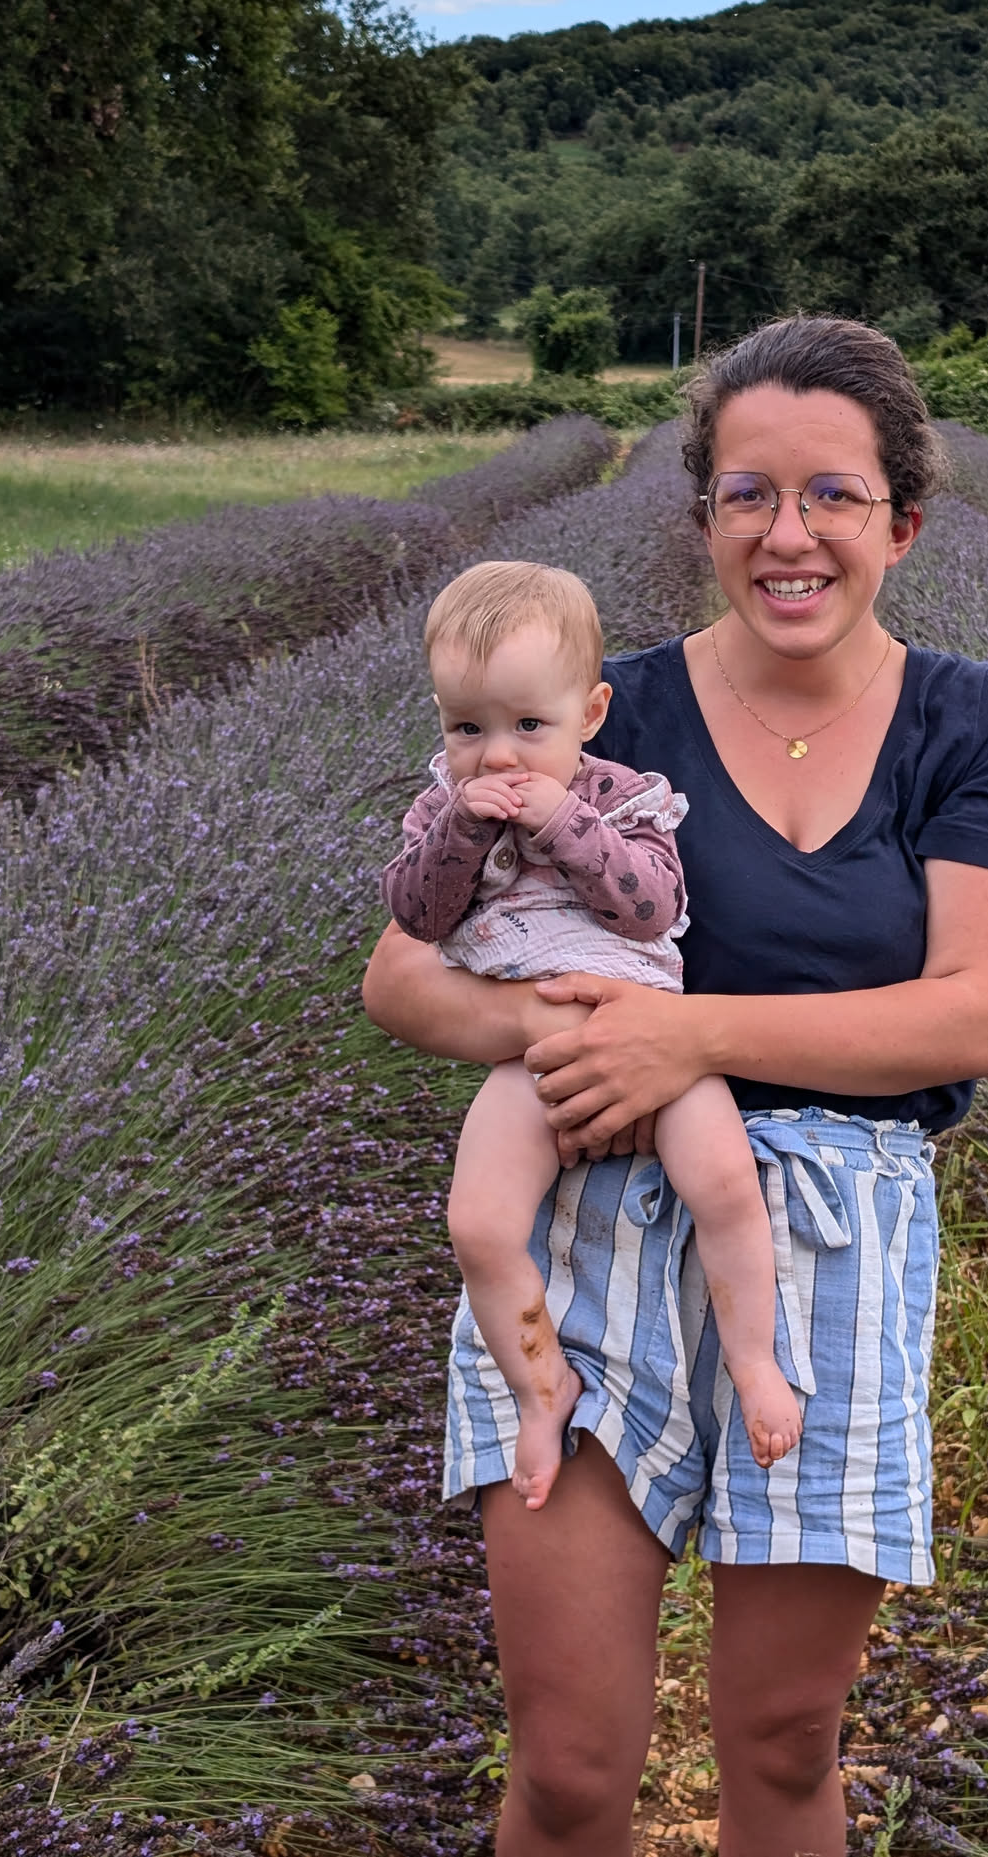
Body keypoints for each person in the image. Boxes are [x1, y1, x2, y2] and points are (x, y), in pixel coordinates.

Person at [362, 314, 988, 1857]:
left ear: (902, 522)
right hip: (587, 1224)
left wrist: (688, 1039)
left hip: (827, 1245)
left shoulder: (975, 721)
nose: (787, 534)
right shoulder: (591, 707)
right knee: (568, 1764)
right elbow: (402, 975)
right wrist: (577, 1031)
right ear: (701, 516)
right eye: (749, 495)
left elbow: (970, 1017)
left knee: (785, 1743)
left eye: (832, 496)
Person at [379, 559, 801, 1512]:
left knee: (726, 1185)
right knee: (478, 1224)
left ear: (591, 712)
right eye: (468, 728)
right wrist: (460, 833)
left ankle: (753, 1361)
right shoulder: (444, 809)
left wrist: (564, 821)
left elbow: (649, 907)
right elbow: (416, 915)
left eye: (529, 726)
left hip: (654, 1034)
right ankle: (541, 1391)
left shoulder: (621, 798)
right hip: (529, 1059)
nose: (498, 756)